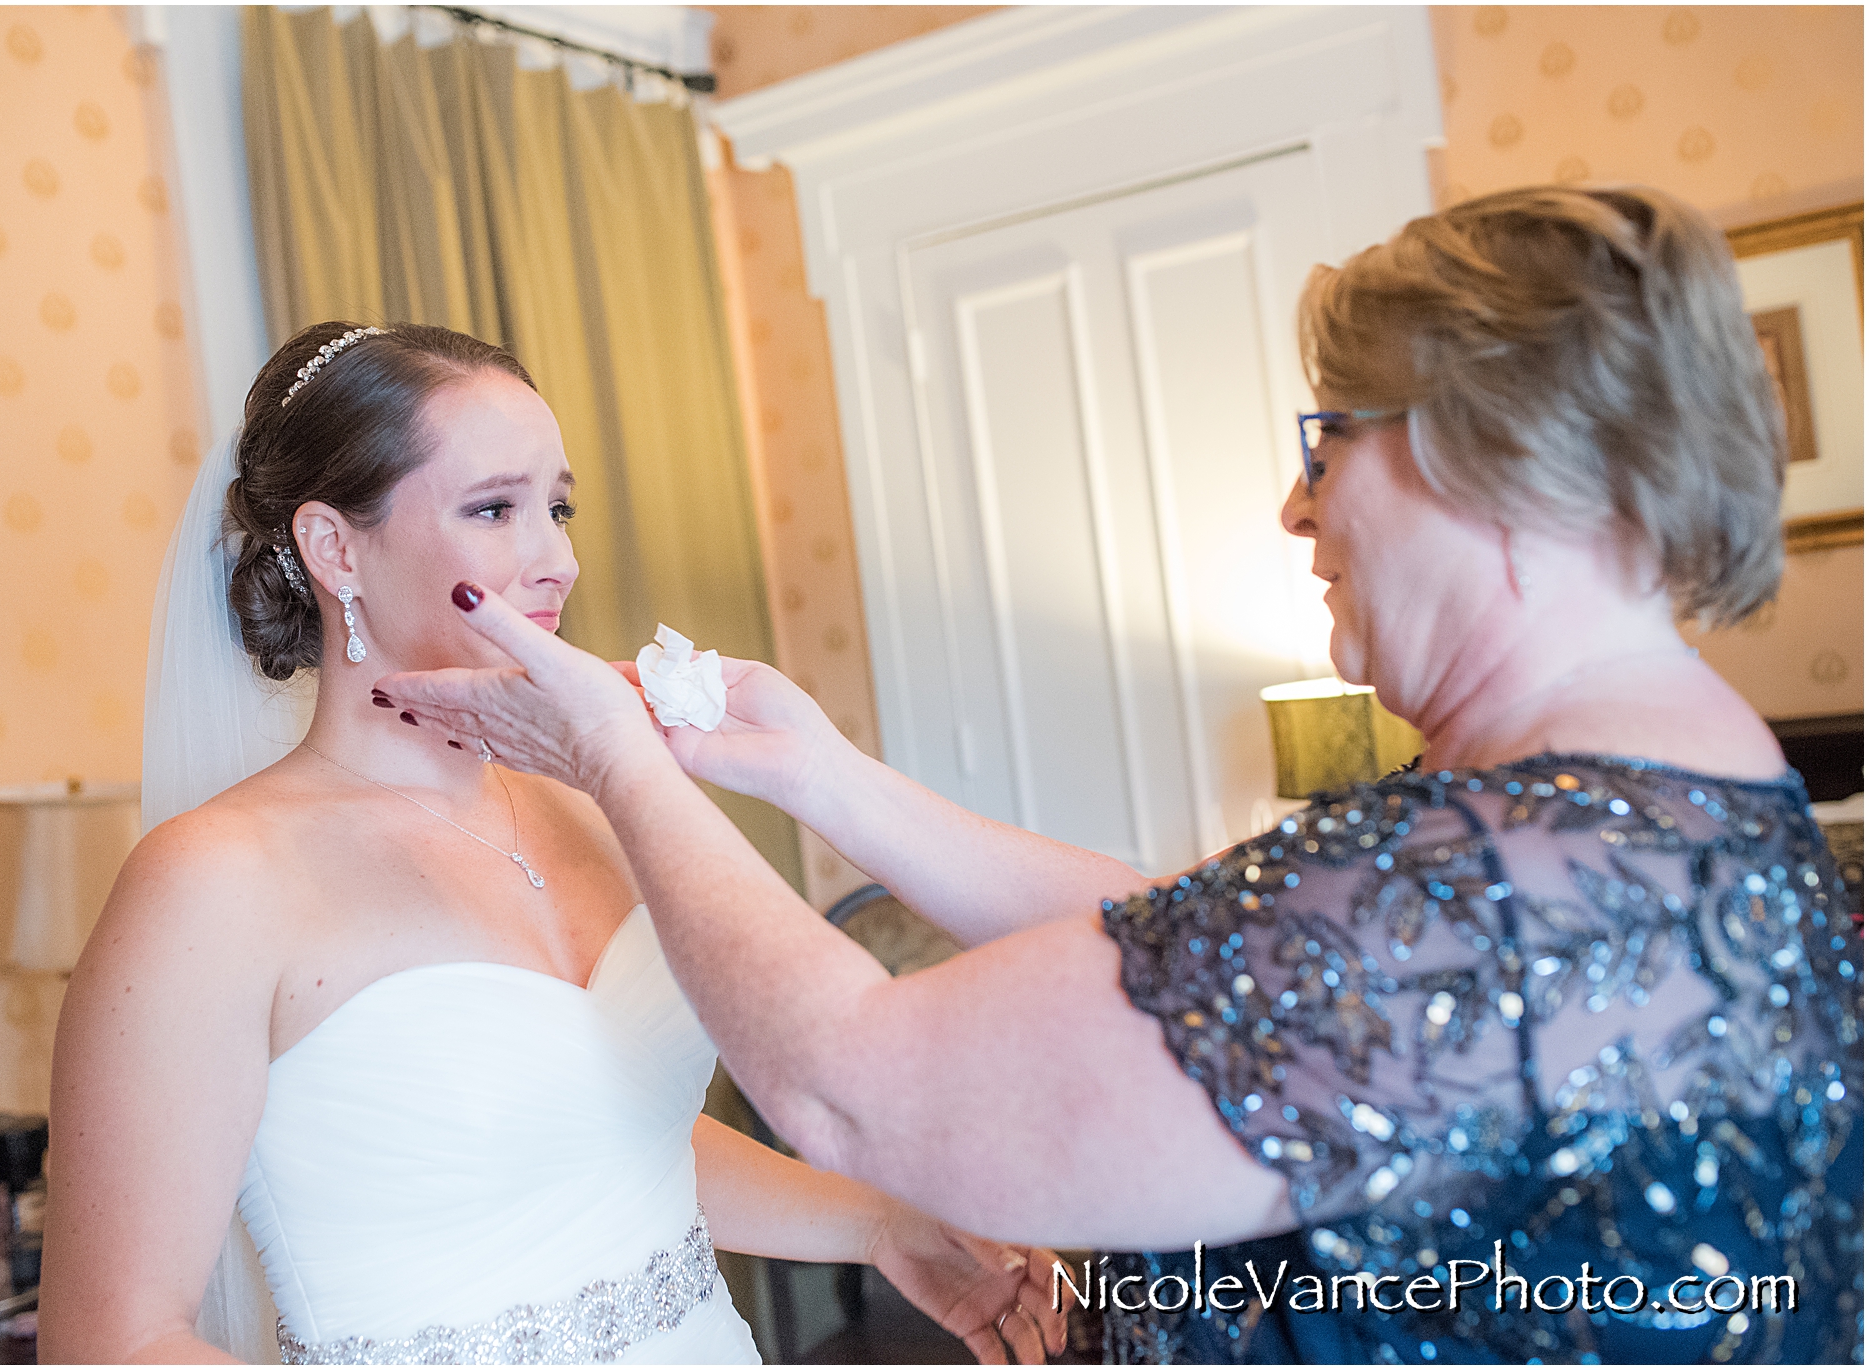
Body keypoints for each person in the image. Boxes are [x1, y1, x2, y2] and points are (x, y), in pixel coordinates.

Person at [376, 187, 1864, 1363]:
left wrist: (622, 761)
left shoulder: (1508, 880)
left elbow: (851, 1094)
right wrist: (827, 778)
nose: (1298, 500)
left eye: (1332, 436)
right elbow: (1223, 955)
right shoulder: (1667, 812)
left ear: (1503, 456)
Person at [39, 322, 1068, 1365]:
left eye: (558, 505)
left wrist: (874, 1221)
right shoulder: (214, 881)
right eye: (494, 508)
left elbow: (607, 1146)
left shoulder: (588, 801)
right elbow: (109, 1339)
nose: (558, 557)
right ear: (334, 547)